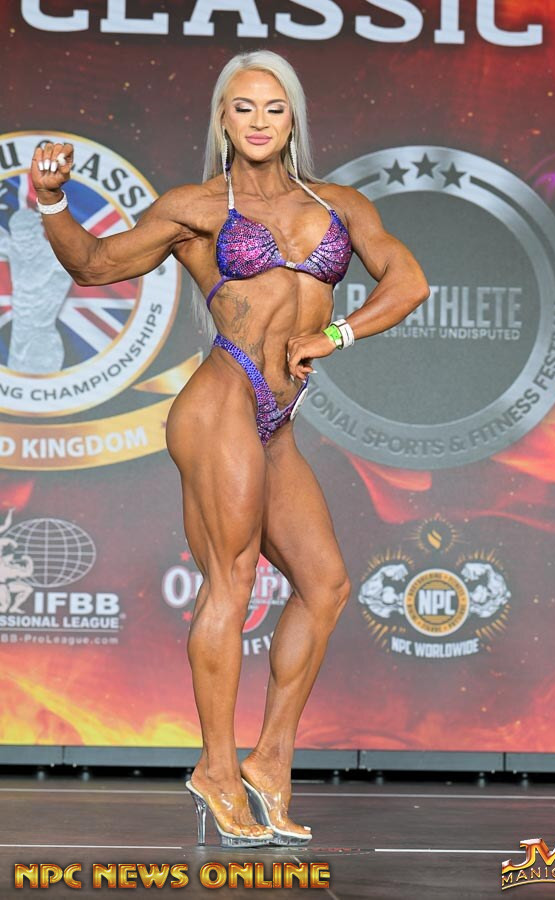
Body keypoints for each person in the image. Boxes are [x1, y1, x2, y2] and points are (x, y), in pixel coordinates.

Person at [31, 49, 429, 848]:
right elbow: (96, 264)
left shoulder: (339, 204)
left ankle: (269, 760)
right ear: (222, 117)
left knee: (325, 585)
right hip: (221, 400)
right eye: (243, 107)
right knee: (232, 580)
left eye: (273, 107)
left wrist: (337, 333)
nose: (258, 121)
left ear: (292, 118)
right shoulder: (197, 207)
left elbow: (409, 282)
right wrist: (51, 200)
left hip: (277, 417)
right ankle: (216, 767)